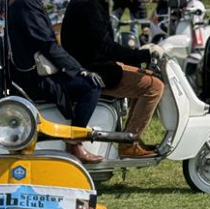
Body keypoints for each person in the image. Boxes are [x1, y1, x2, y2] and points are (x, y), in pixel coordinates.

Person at [61, 0, 165, 158]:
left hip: (90, 64)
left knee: (149, 77)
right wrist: (140, 55)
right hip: (92, 70)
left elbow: (103, 45)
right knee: (154, 86)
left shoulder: (92, 4)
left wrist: (137, 57)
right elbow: (105, 46)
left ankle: (130, 140)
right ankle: (128, 145)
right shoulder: (89, 5)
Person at [7, 0, 106, 164]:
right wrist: (78, 69)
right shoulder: (25, 5)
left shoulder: (25, 4)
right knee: (91, 86)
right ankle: (74, 144)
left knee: (88, 78)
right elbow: (47, 44)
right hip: (36, 78)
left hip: (35, 72)